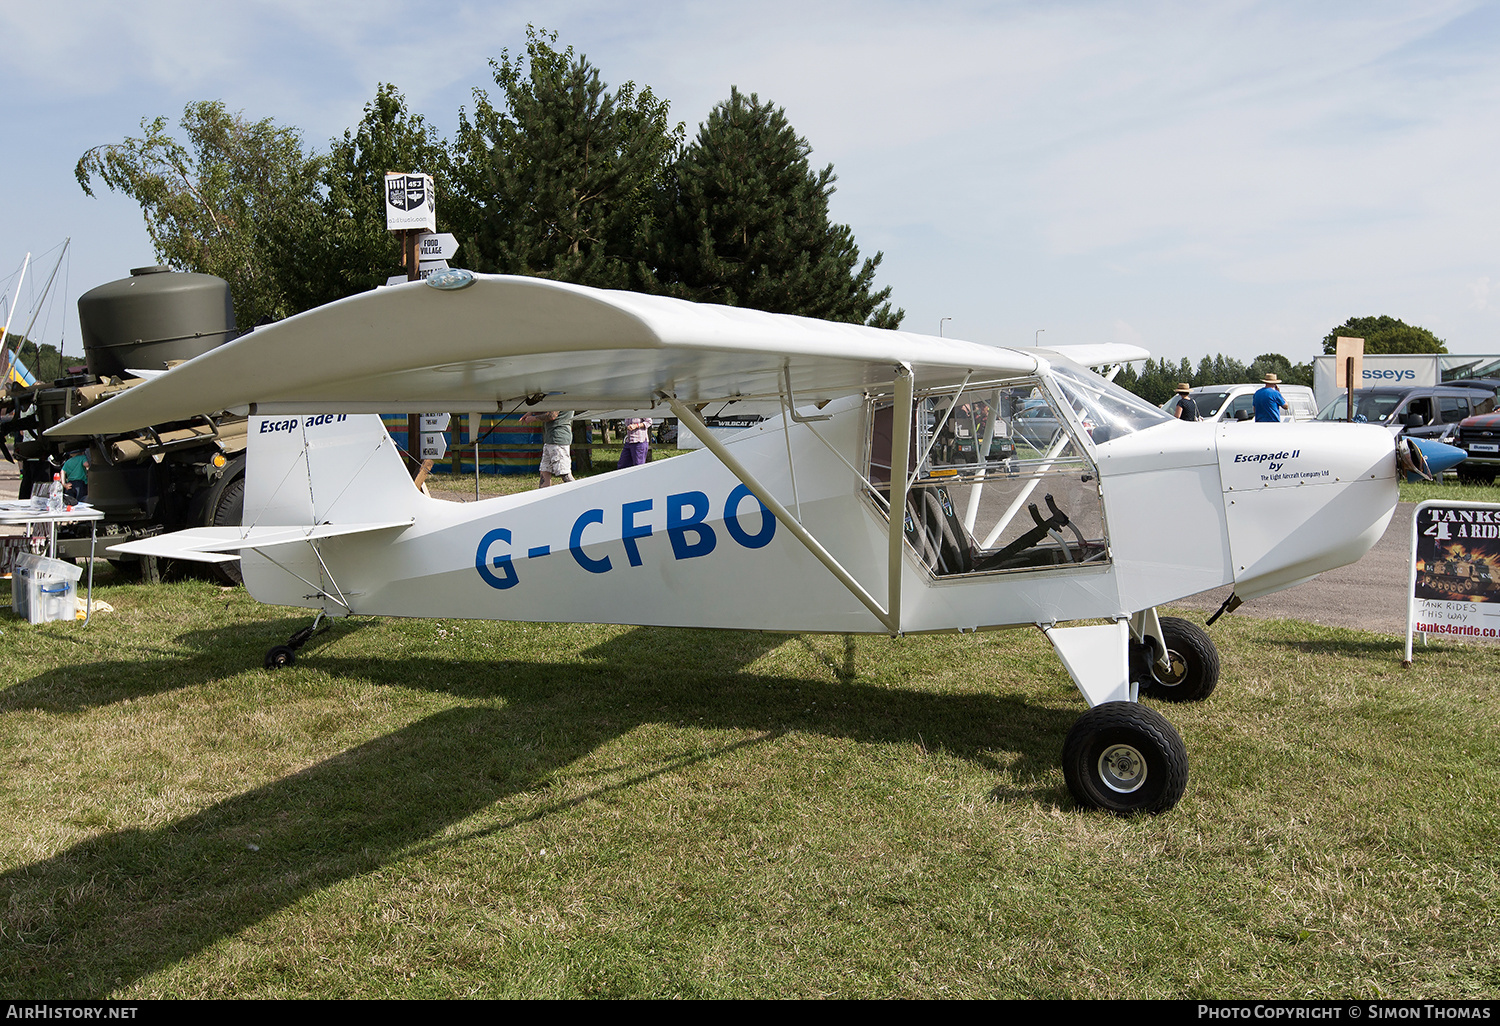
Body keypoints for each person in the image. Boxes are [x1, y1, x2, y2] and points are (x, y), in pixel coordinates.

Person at [520, 410, 575, 487]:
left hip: (558, 440)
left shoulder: (561, 398)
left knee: (564, 473)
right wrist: (532, 411)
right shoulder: (557, 399)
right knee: (544, 471)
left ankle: (580, 494)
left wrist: (534, 418)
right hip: (550, 440)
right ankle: (543, 496)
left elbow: (551, 416)